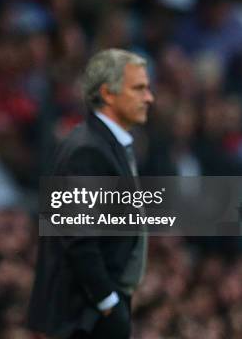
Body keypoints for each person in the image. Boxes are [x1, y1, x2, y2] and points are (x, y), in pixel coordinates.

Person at [27, 49, 154, 339]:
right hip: (83, 315)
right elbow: (78, 237)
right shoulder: (88, 150)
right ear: (108, 94)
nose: (149, 98)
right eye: (139, 89)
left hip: (95, 307)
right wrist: (107, 301)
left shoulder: (107, 144)